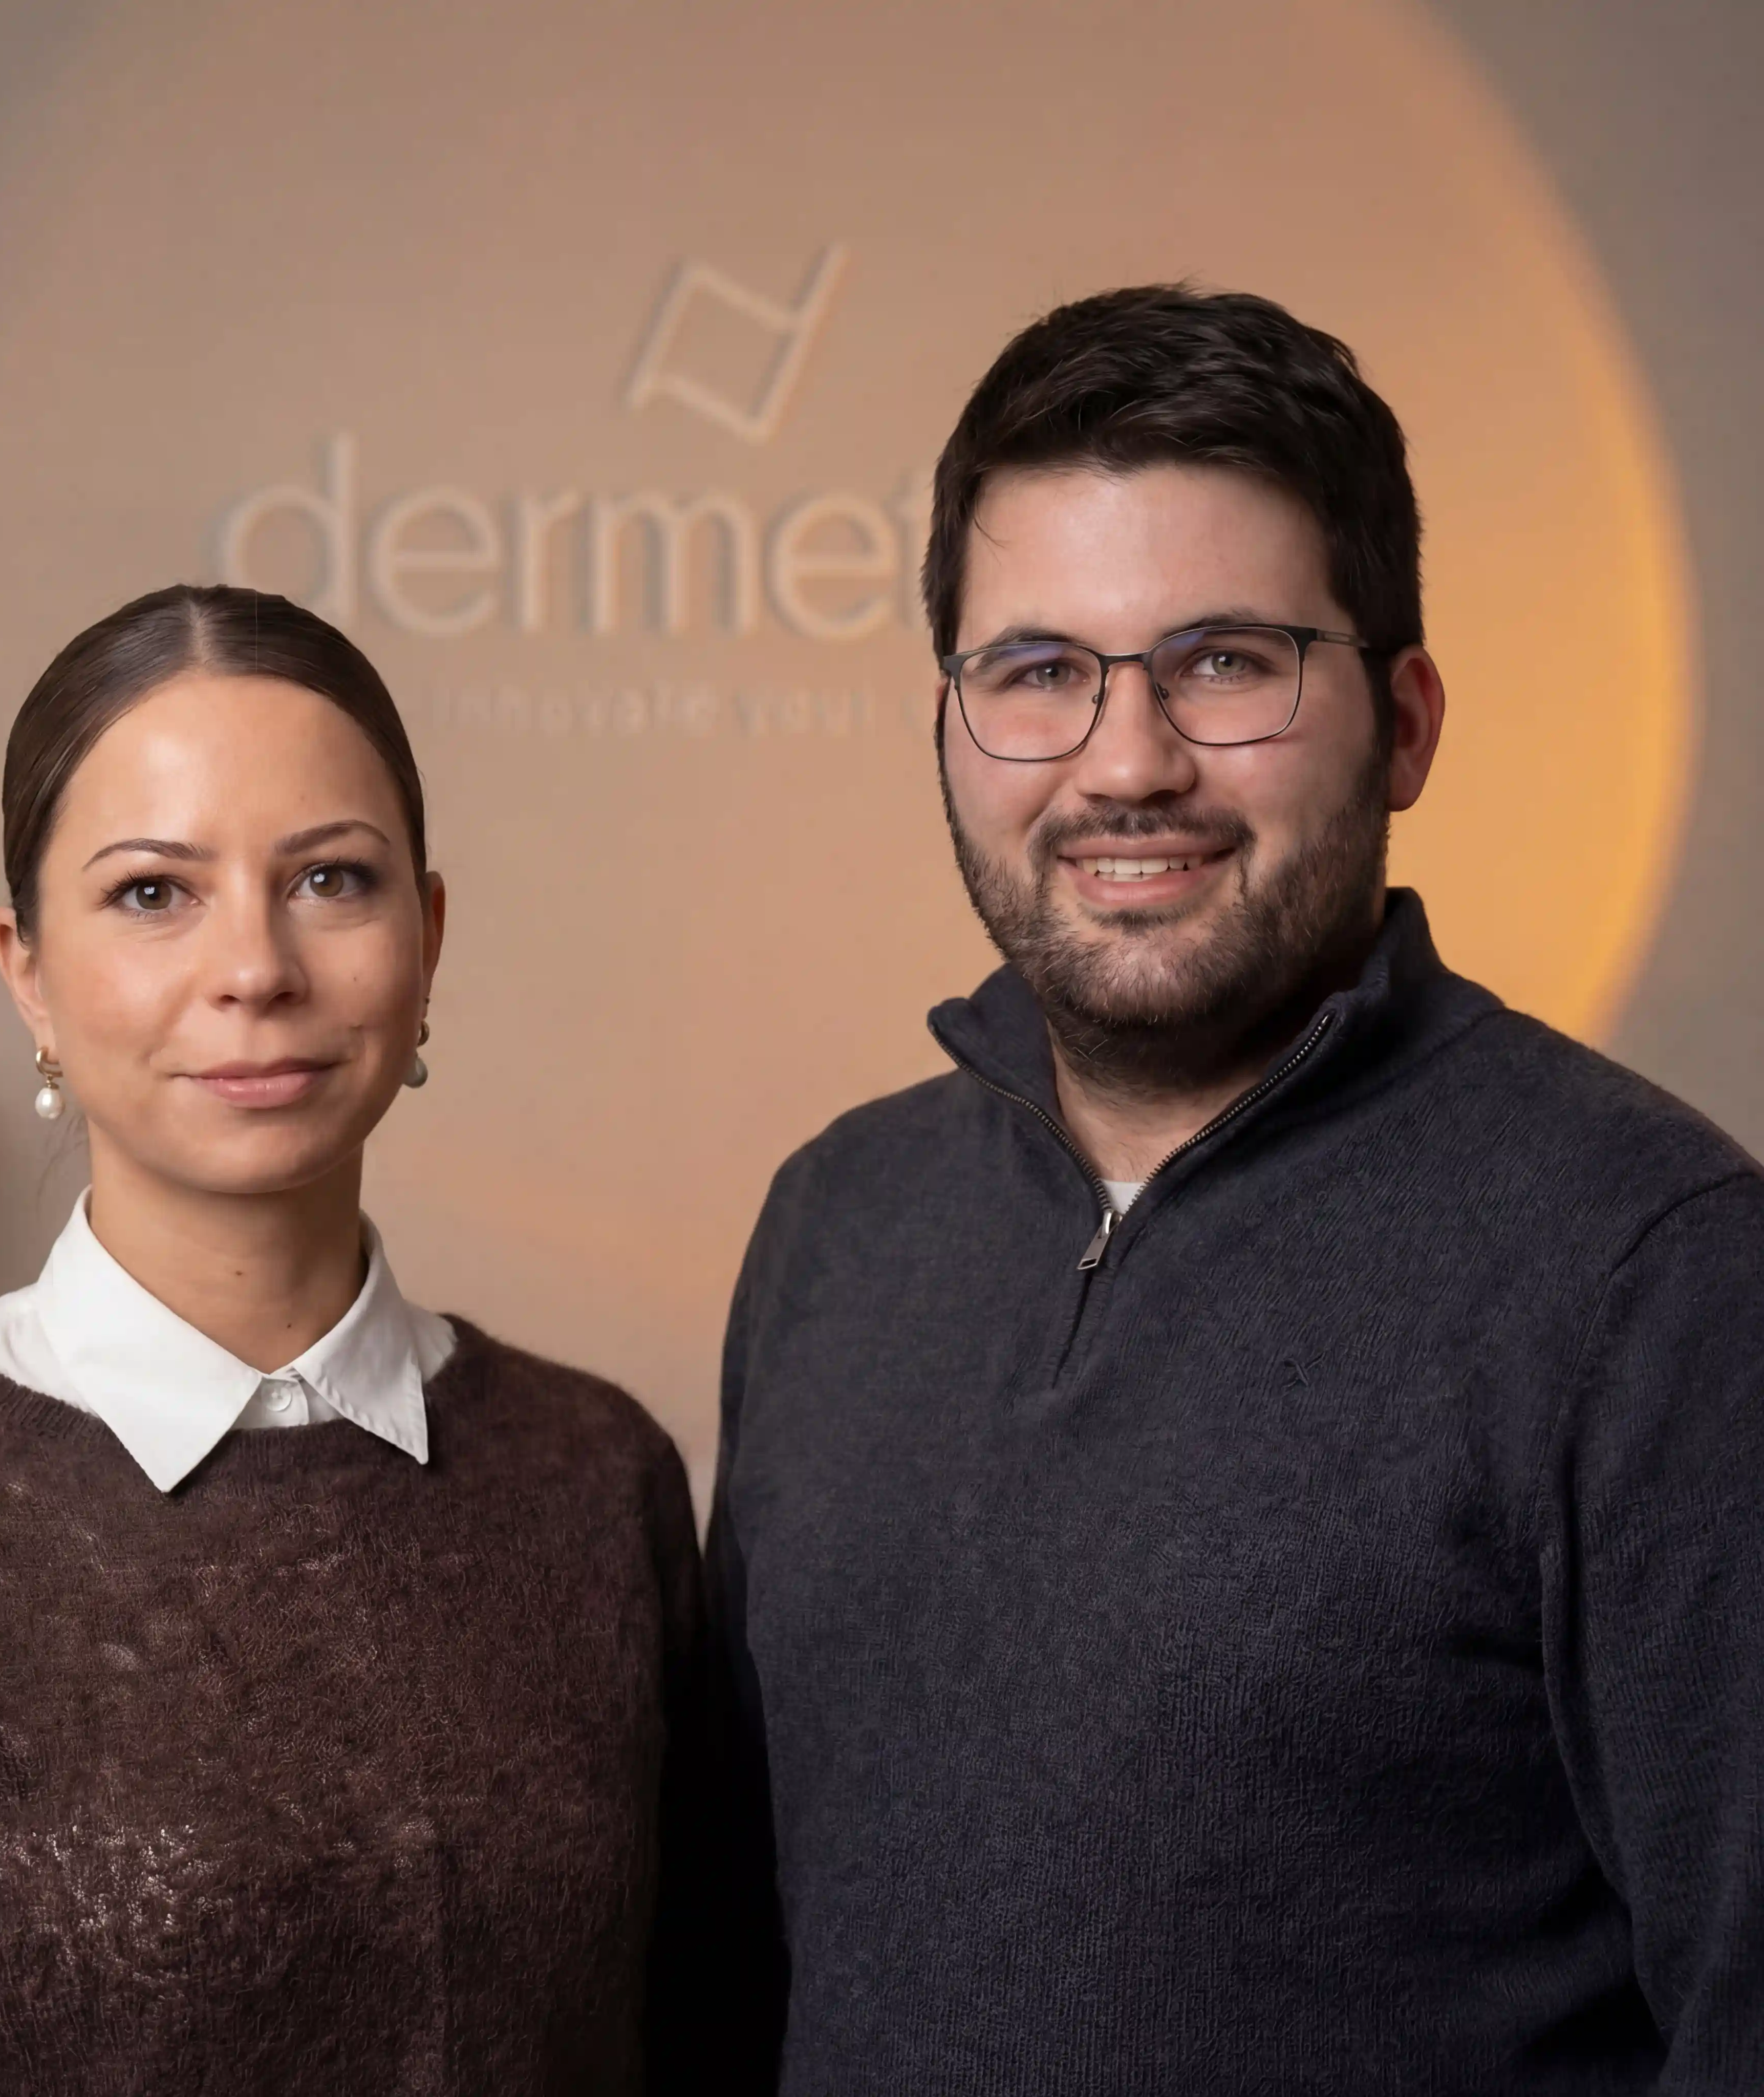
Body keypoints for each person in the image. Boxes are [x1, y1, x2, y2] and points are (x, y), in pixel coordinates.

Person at [707, 287, 1764, 2092]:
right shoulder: (837, 1222)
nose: (1128, 764)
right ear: (954, 726)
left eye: (1224, 661)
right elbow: (735, 1967)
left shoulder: (1657, 1279)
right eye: (1038, 672)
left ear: (1406, 723)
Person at [0, 585, 705, 2093]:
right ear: (27, 969)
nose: (256, 969)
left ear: (429, 935)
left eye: (332, 881)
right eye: (155, 892)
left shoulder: (600, 1476)